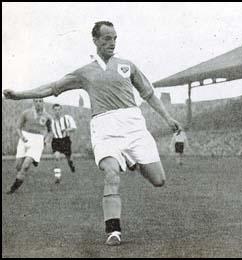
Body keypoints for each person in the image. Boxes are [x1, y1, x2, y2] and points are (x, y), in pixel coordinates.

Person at [3, 21, 181, 246]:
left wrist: (168, 118)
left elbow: (149, 95)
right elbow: (51, 87)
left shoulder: (128, 66)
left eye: (114, 38)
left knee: (159, 180)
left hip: (134, 126)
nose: (112, 43)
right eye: (106, 38)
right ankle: (113, 230)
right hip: (105, 129)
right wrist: (19, 95)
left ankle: (131, 161)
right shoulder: (85, 73)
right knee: (111, 175)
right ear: (95, 41)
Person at [6, 98, 53, 194]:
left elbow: (50, 131)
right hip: (25, 137)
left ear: (43, 103)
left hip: (37, 140)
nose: (38, 103)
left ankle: (12, 189)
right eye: (36, 101)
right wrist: (22, 137)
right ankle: (34, 160)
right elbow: (18, 127)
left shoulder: (47, 117)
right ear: (33, 102)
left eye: (40, 101)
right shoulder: (26, 113)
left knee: (25, 166)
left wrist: (46, 140)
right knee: (18, 166)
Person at [50, 103, 77, 184]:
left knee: (69, 158)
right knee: (56, 157)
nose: (57, 112)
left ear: (61, 110)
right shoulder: (51, 121)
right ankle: (57, 177)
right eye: (55, 110)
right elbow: (48, 131)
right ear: (53, 111)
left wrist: (66, 130)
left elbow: (74, 128)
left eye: (58, 110)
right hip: (56, 141)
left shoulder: (67, 118)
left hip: (65, 140)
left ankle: (71, 164)